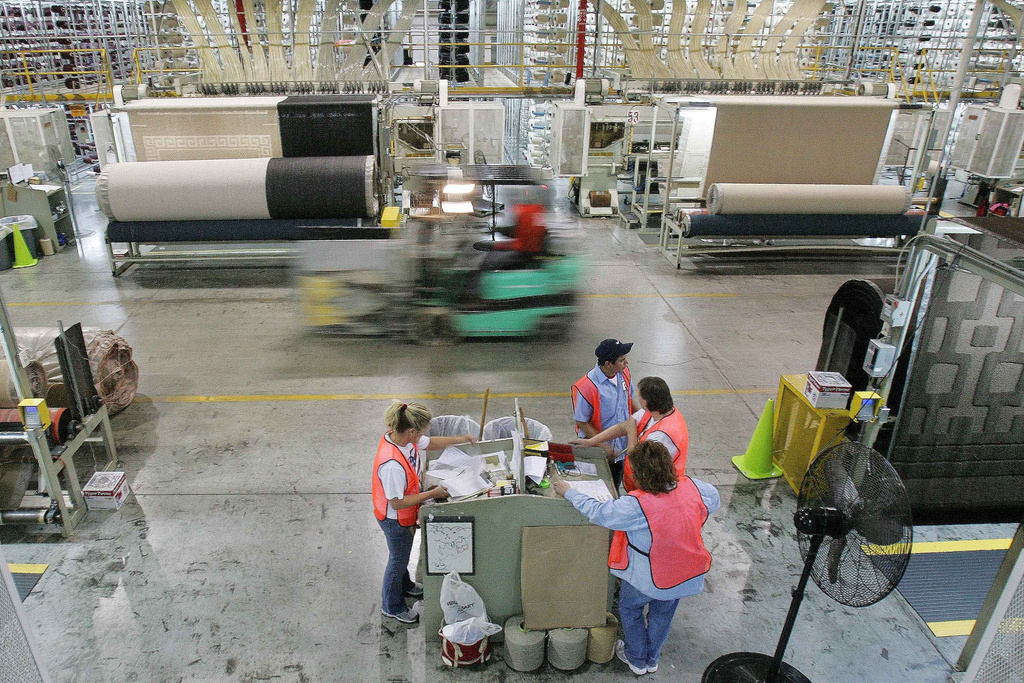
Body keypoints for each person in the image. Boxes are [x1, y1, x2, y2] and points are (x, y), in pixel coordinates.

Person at [553, 441, 719, 676]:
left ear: (637, 473)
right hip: (685, 573)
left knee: (630, 610)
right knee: (663, 614)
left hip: (648, 575)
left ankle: (637, 659)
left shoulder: (636, 505)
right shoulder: (695, 488)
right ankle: (652, 659)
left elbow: (600, 513)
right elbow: (714, 500)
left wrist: (569, 491)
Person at [372, 401, 477, 624]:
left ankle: (407, 586)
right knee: (397, 561)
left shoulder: (404, 440)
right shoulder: (391, 464)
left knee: (401, 557)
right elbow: (397, 503)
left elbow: (431, 444)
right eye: (422, 432)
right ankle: (391, 606)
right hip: (395, 519)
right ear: (412, 431)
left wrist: (462, 439)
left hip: (404, 515)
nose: (423, 436)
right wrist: (431, 494)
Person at [572, 376, 688, 492]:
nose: (637, 397)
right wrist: (591, 441)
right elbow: (624, 426)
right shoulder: (655, 412)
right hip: (639, 486)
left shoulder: (662, 436)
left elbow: (637, 462)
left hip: (655, 491)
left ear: (648, 401)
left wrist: (631, 431)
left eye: (640, 396)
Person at [572, 339, 637, 489]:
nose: (626, 362)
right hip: (600, 452)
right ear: (608, 364)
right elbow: (582, 422)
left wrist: (644, 420)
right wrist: (604, 446)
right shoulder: (587, 386)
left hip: (621, 450)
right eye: (622, 360)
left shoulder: (624, 373)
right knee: (601, 489)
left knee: (615, 484)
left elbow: (629, 399)